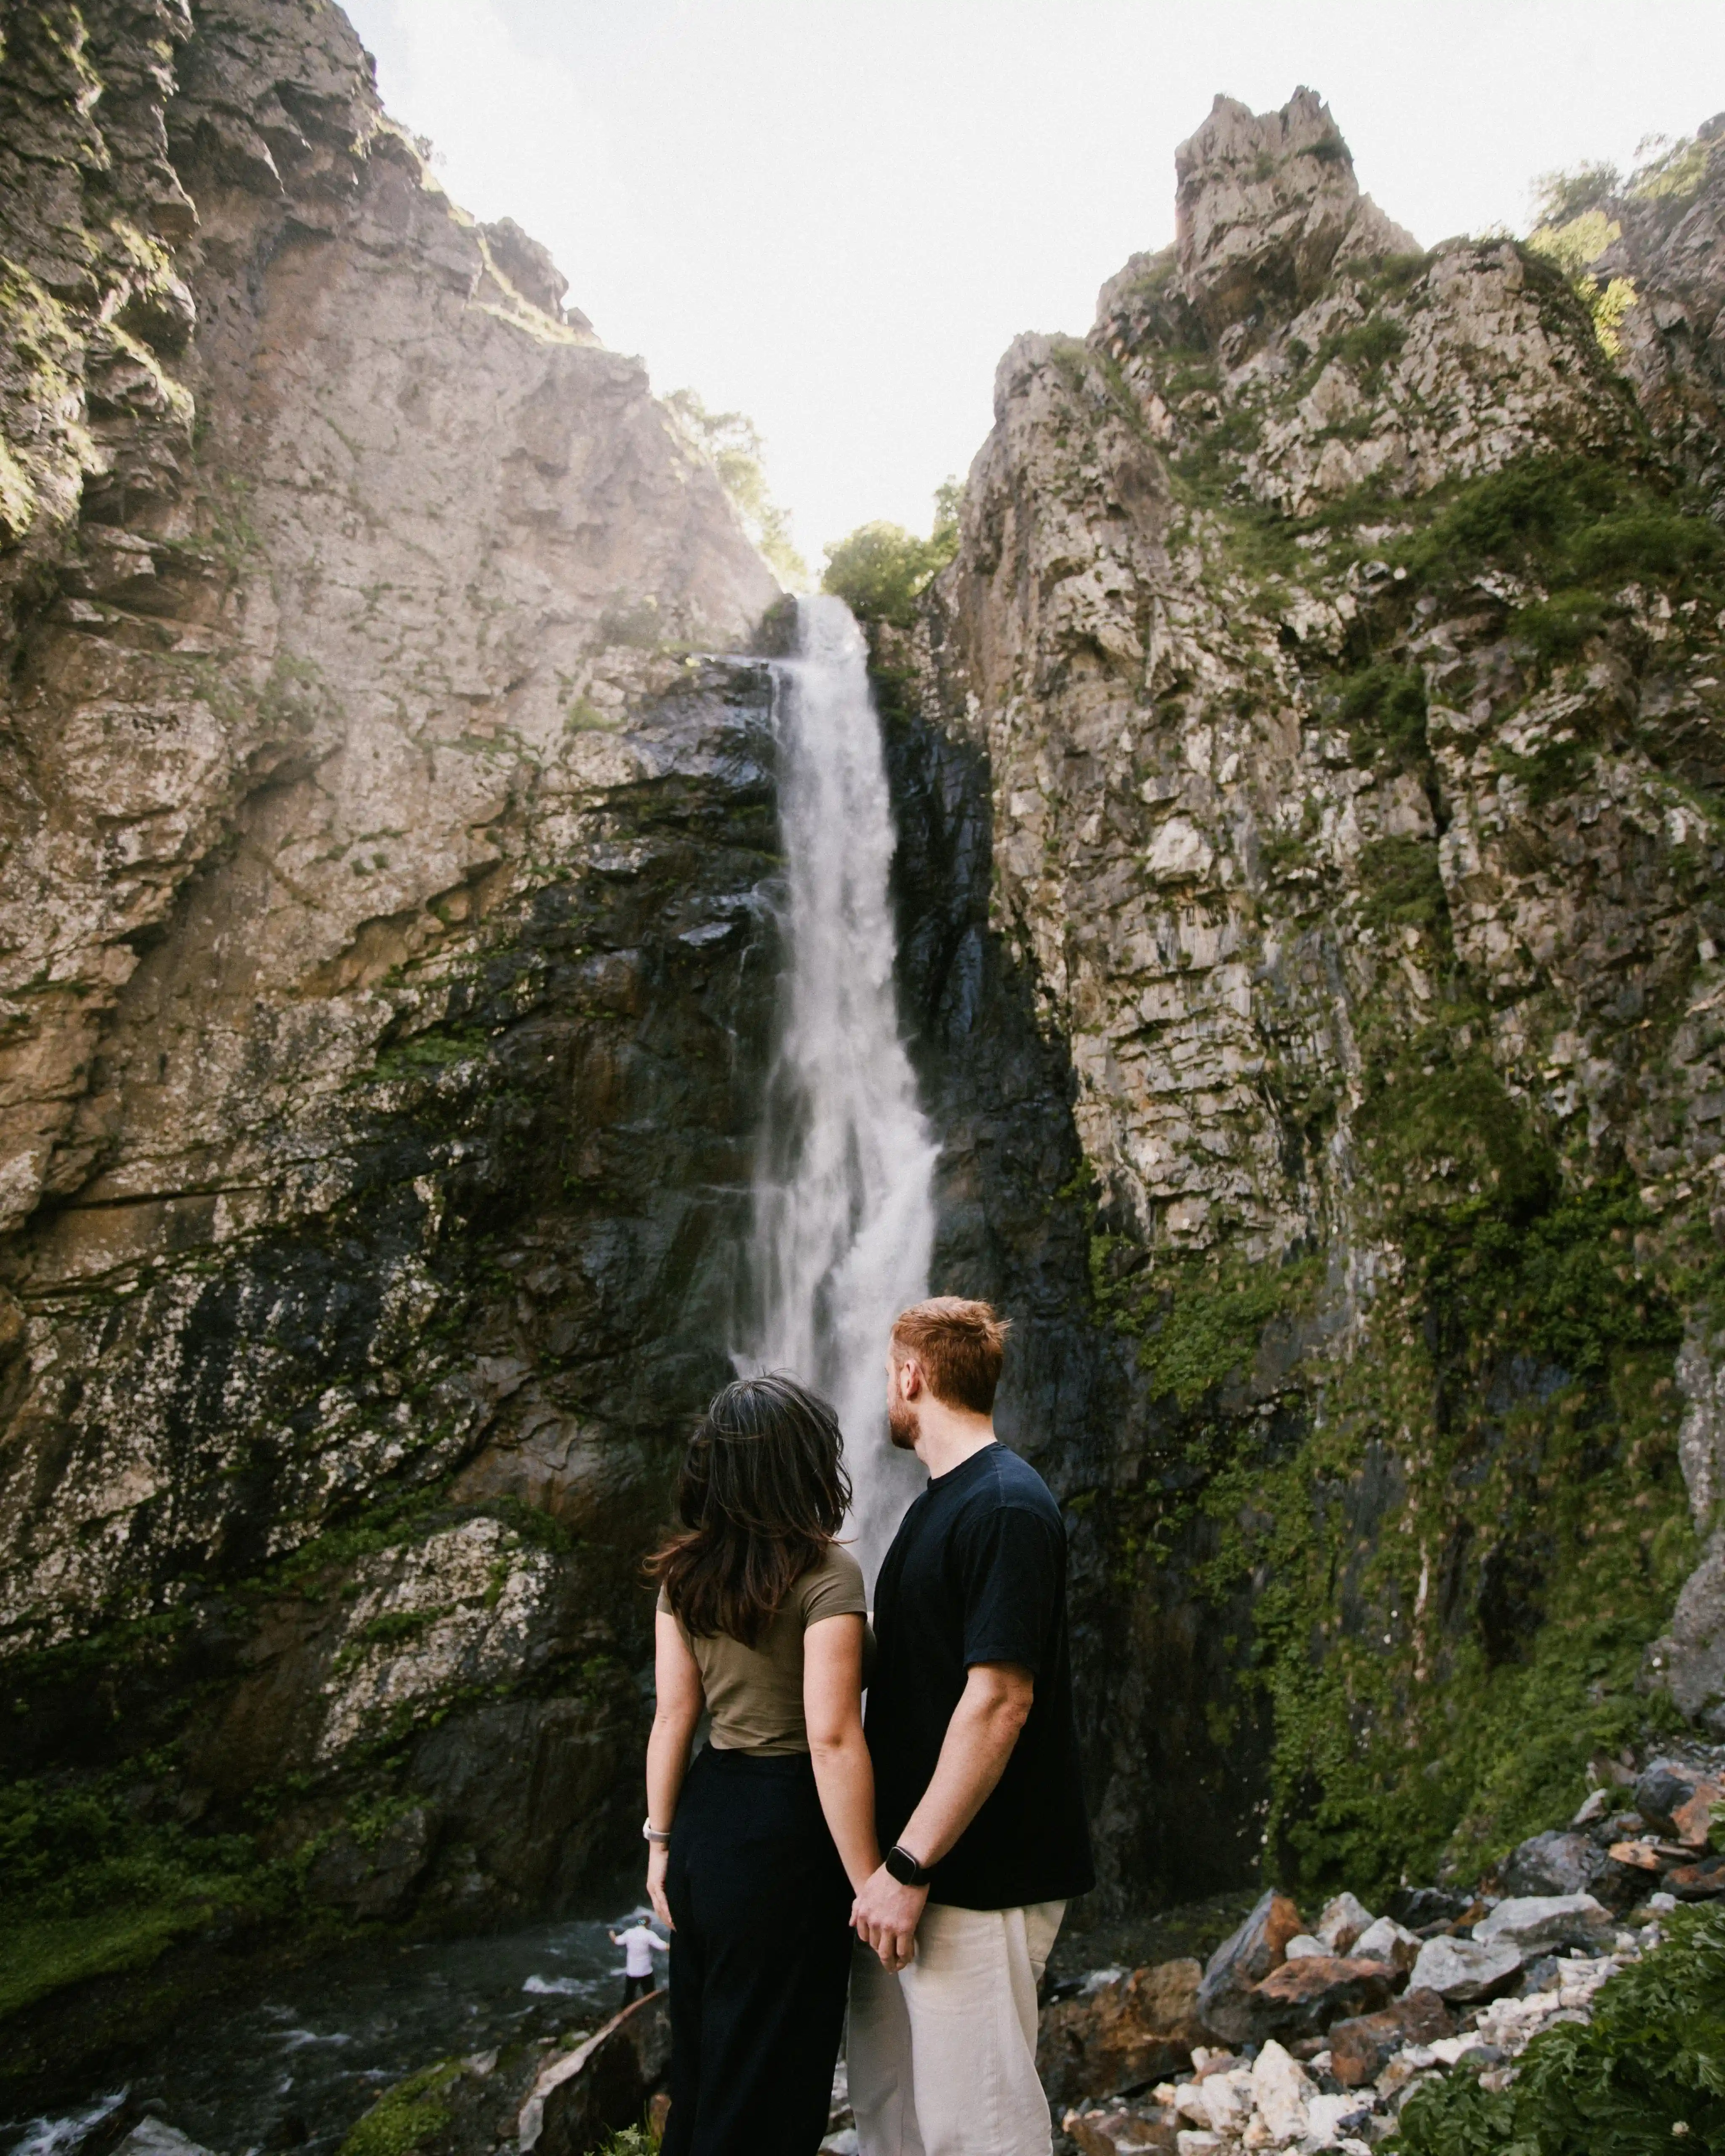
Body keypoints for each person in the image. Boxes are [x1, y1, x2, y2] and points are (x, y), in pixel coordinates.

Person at [848, 1297, 1094, 2156]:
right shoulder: (940, 1504)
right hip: (918, 1881)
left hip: (974, 1879)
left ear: (912, 1376)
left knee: (980, 2130)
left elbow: (999, 1701)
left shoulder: (1002, 1507)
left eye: (888, 1372)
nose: (885, 1389)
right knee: (905, 2121)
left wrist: (909, 1862)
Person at [644, 1372, 879, 2156]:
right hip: (788, 1837)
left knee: (705, 2072)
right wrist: (870, 1880)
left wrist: (659, 1843)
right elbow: (832, 1738)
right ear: (801, 1463)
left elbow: (676, 1717)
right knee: (774, 2088)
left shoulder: (684, 1573)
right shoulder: (826, 1575)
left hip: (708, 1825)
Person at [608, 1916, 668, 2011]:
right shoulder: (649, 1935)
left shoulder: (629, 1933)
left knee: (629, 1996)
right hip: (646, 1972)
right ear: (648, 1924)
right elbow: (664, 1947)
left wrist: (612, 1934)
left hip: (632, 1972)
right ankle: (653, 2013)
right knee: (650, 1996)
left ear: (639, 1923)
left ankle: (623, 2014)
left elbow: (616, 1941)